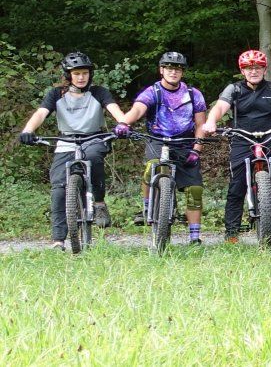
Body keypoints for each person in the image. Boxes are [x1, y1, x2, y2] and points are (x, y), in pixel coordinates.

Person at [18, 52, 131, 250]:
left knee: (94, 157)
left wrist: (123, 124)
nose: (81, 77)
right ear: (68, 75)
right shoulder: (56, 94)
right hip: (66, 141)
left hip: (93, 138)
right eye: (76, 73)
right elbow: (41, 113)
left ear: (90, 74)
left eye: (85, 73)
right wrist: (28, 130)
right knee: (58, 189)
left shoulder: (99, 92)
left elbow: (115, 110)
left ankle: (99, 203)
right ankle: (58, 240)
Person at [201, 50, 271, 244]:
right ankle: (232, 234)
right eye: (249, 68)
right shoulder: (234, 89)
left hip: (270, 135)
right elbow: (220, 107)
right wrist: (211, 121)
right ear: (242, 71)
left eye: (258, 68)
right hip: (242, 137)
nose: (254, 71)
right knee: (237, 186)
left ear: (264, 70)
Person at [125, 51, 207, 244]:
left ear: (182, 72)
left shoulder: (193, 94)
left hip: (184, 142)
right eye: (169, 68)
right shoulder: (152, 92)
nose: (173, 72)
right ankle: (147, 207)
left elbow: (200, 124)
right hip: (157, 139)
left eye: (177, 69)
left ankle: (195, 237)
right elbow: (138, 109)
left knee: (195, 190)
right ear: (161, 70)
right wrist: (124, 123)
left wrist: (197, 149)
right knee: (152, 166)